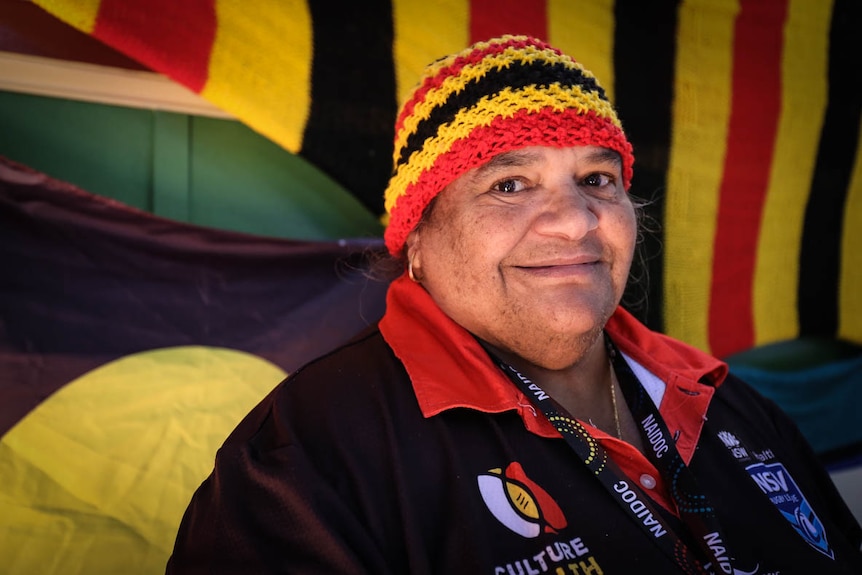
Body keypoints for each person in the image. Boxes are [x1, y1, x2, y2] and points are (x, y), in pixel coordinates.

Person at [166, 35, 862, 574]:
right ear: (418, 242)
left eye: (597, 178)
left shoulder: (723, 398)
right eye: (509, 184)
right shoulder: (309, 450)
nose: (576, 221)